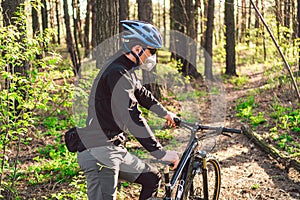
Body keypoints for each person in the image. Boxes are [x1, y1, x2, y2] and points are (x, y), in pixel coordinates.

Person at [77, 20, 180, 200]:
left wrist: (166, 114)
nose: (153, 56)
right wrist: (160, 153)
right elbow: (132, 115)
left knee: (151, 178)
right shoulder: (117, 72)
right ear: (137, 48)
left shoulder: (125, 68)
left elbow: (141, 93)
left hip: (114, 147)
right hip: (99, 151)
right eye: (152, 51)